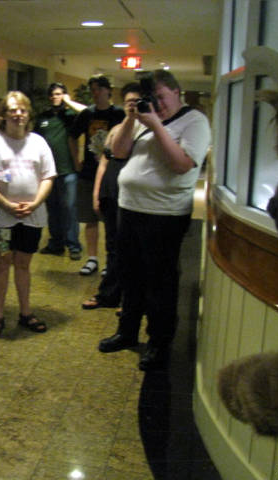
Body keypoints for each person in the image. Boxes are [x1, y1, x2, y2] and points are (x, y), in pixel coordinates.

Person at [98, 70, 210, 372]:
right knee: (130, 275)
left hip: (164, 215)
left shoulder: (195, 122)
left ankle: (159, 343)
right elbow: (118, 152)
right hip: (129, 209)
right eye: (153, 99)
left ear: (177, 92)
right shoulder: (142, 119)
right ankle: (127, 332)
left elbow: (181, 165)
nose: (158, 104)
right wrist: (133, 118)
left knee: (159, 283)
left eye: (162, 96)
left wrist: (157, 125)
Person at [0, 91, 56, 337]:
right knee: (2, 263)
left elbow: (48, 177)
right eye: (12, 110)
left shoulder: (38, 142)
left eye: (23, 110)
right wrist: (6, 205)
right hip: (0, 217)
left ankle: (25, 312)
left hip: (32, 216)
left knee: (23, 264)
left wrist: (36, 203)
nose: (18, 114)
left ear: (29, 115)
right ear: (3, 115)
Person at [82, 82, 144, 310]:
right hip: (110, 192)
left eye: (136, 102)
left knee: (130, 249)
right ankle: (108, 294)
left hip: (133, 198)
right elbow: (104, 161)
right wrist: (97, 192)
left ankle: (128, 299)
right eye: (128, 102)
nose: (132, 106)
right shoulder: (117, 129)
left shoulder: (146, 131)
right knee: (112, 247)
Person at [69, 75, 125, 275]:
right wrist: (76, 161)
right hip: (88, 173)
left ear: (107, 91)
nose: (95, 93)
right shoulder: (86, 114)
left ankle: (111, 261)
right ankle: (92, 258)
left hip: (111, 174)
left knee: (110, 218)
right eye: (92, 90)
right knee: (89, 217)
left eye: (98, 89)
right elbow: (72, 136)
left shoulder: (118, 114)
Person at [34, 82, 85, 260]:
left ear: (65, 95)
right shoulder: (42, 118)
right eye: (53, 94)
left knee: (69, 208)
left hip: (68, 170)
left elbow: (87, 112)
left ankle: (73, 245)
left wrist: (69, 102)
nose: (56, 97)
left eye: (59, 94)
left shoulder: (71, 115)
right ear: (50, 97)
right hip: (48, 173)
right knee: (53, 209)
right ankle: (56, 244)